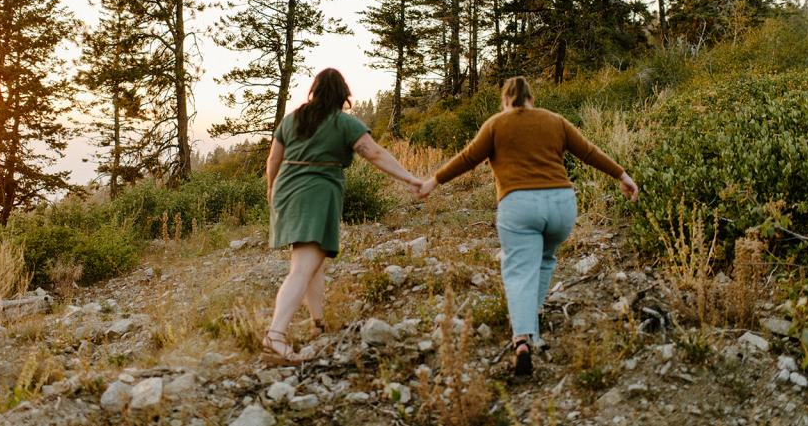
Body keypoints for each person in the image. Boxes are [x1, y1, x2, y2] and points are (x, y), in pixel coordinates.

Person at [417, 76, 638, 376]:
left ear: (506, 101)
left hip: (519, 205)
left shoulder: (496, 124)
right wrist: (622, 176)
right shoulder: (555, 121)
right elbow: (588, 151)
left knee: (520, 270)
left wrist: (434, 181)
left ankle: (522, 340)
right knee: (545, 258)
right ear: (531, 99)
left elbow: (468, 158)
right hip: (561, 204)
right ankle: (533, 313)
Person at [262, 68, 422, 365]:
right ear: (342, 95)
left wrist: (272, 190)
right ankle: (275, 335)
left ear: (315, 91)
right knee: (303, 265)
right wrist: (409, 178)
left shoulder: (292, 119)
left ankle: (317, 321)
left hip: (287, 191)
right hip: (316, 193)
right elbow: (374, 153)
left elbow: (274, 159)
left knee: (311, 260)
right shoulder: (343, 123)